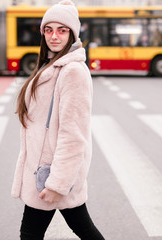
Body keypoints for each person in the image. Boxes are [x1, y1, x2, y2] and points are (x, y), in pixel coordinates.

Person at [12, 1, 105, 239]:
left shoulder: (72, 71)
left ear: (72, 34)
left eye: (62, 30)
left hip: (51, 174)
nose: (54, 36)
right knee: (83, 229)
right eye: (48, 29)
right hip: (45, 170)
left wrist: (57, 184)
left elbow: (74, 135)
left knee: (31, 234)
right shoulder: (51, 64)